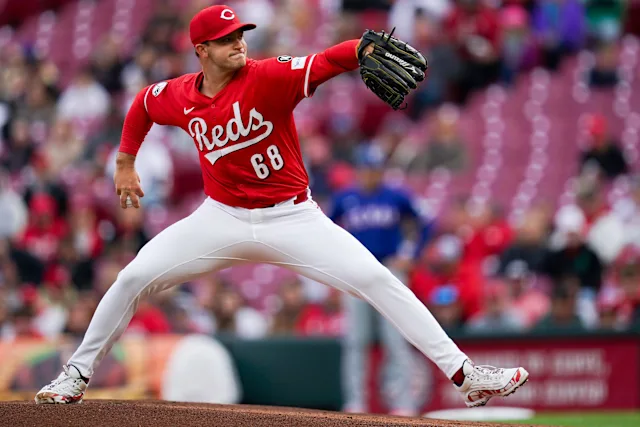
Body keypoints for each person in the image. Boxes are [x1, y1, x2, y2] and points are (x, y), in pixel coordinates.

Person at [35, 5, 529, 408]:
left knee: (378, 280)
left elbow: (326, 60)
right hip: (221, 217)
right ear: (202, 50)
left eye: (240, 34)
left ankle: (465, 375)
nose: (239, 43)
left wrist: (360, 49)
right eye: (226, 39)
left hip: (291, 217)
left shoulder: (268, 76)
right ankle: (75, 373)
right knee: (131, 278)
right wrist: (125, 162)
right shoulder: (181, 95)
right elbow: (143, 104)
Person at [330, 145, 430, 416]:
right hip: (355, 271)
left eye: (374, 169)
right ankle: (355, 403)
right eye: (366, 169)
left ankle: (404, 403)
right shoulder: (345, 198)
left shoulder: (396, 195)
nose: (370, 174)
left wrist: (412, 255)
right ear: (358, 171)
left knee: (396, 337)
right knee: (356, 340)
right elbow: (326, 229)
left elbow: (425, 223)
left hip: (388, 270)